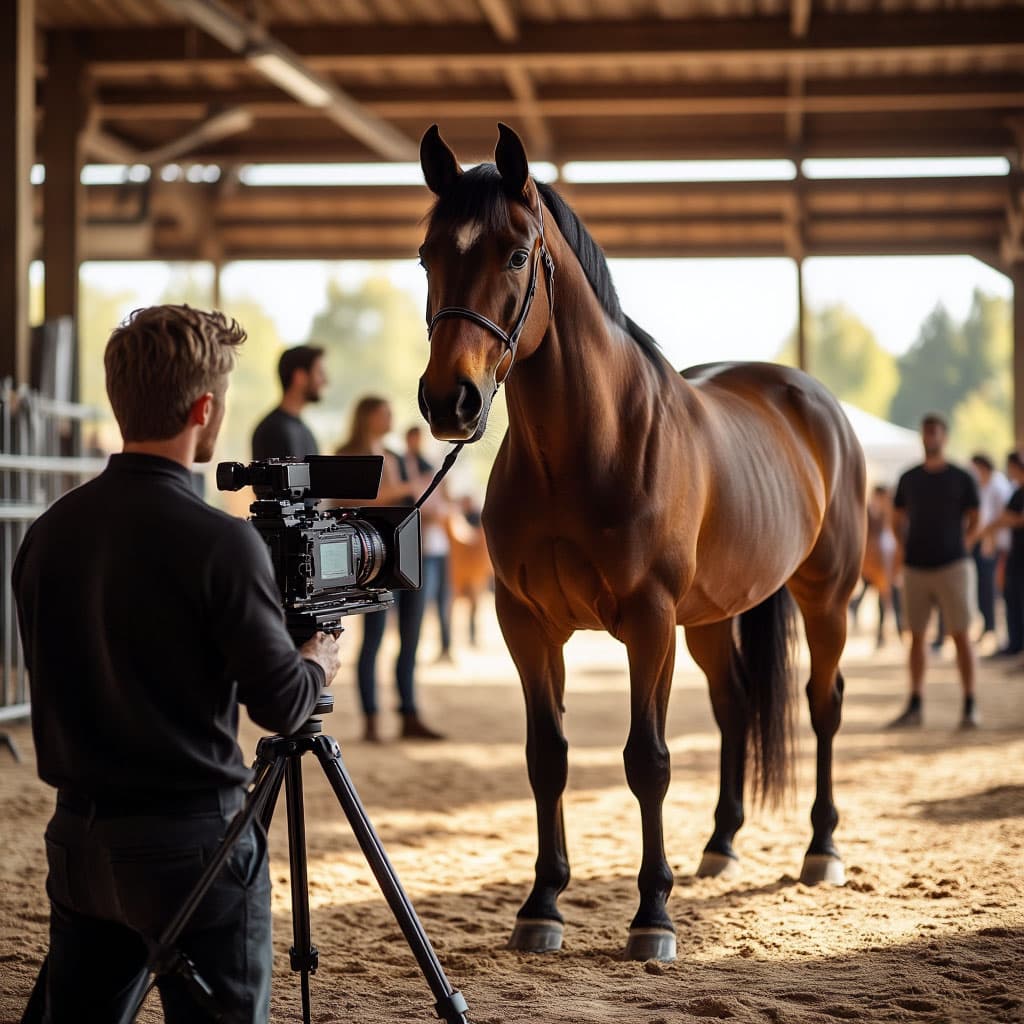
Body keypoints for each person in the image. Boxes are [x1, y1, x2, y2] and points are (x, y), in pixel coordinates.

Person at [13, 305, 342, 1024]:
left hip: (77, 846)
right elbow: (282, 707)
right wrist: (318, 660)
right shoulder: (222, 544)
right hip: (191, 847)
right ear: (204, 408)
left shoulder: (46, 534)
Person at [336, 398, 443, 742]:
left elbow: (411, 500)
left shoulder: (397, 455)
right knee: (374, 638)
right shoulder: (347, 454)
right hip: (371, 559)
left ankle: (408, 712)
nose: (391, 418)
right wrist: (405, 488)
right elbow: (351, 501)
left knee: (410, 636)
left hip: (404, 555)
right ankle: (371, 717)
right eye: (385, 412)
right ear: (367, 416)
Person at [887, 413, 980, 730]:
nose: (931, 438)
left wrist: (965, 542)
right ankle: (915, 703)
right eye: (927, 433)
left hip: (953, 565)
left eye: (936, 433)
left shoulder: (961, 477)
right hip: (916, 566)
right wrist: (901, 549)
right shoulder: (909, 478)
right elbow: (896, 517)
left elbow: (975, 515)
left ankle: (970, 703)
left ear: (945, 437)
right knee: (915, 637)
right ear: (922, 437)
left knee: (961, 636)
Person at [404, 426, 453, 663]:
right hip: (422, 549)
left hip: (437, 546)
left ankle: (445, 646)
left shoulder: (428, 467)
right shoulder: (406, 467)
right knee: (419, 607)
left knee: (444, 600)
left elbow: (442, 505)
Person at [981, 451, 1024, 661]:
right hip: (1015, 554)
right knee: (1012, 597)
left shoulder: (1012, 490)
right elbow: (1007, 518)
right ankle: (1016, 644)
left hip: (1017, 554)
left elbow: (1010, 518)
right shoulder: (1017, 492)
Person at [251, 344, 326, 459]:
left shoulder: (304, 431)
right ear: (299, 377)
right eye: (319, 373)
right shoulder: (272, 431)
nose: (325, 381)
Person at [969, 452, 1013, 646]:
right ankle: (989, 626)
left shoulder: (998, 485)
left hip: (997, 545)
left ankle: (999, 630)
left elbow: (1001, 517)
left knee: (997, 589)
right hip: (985, 542)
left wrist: (990, 540)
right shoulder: (984, 485)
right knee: (984, 588)